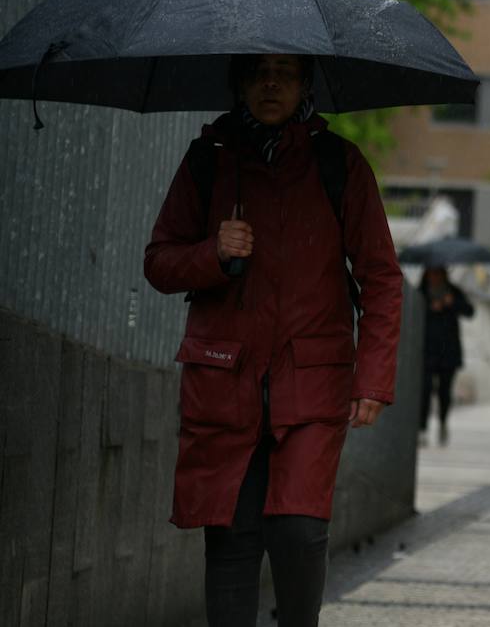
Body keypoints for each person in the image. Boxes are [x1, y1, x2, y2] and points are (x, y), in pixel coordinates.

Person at [144, 53, 402, 627]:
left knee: (298, 528)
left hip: (311, 379)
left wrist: (373, 380)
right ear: (238, 83)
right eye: (258, 72)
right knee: (231, 537)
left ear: (305, 84)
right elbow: (158, 262)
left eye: (284, 73)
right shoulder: (209, 159)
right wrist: (212, 252)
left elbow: (381, 277)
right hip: (224, 377)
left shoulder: (339, 163)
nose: (270, 83)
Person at [419, 266, 475, 447]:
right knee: (425, 390)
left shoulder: (453, 291)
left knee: (444, 391)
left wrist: (452, 303)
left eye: (437, 274)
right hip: (426, 350)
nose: (434, 277)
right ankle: (422, 428)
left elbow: (470, 311)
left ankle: (443, 422)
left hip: (448, 351)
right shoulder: (421, 293)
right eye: (431, 273)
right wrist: (430, 308)